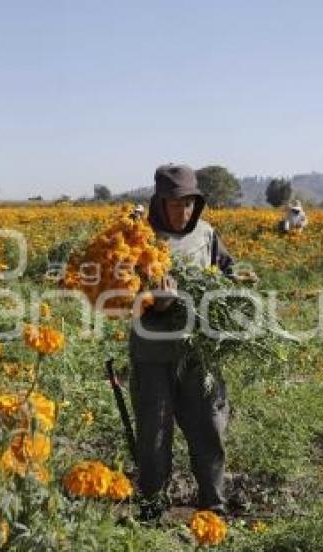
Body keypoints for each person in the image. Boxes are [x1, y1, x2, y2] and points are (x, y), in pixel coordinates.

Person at [129, 164, 236, 521]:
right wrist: (153, 303)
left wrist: (235, 287)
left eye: (190, 203)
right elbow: (115, 297)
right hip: (153, 353)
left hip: (198, 354)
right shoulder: (137, 240)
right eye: (175, 203)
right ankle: (152, 508)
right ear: (159, 202)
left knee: (209, 427)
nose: (183, 211)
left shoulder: (206, 235)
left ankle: (213, 505)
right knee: (154, 434)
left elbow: (228, 273)